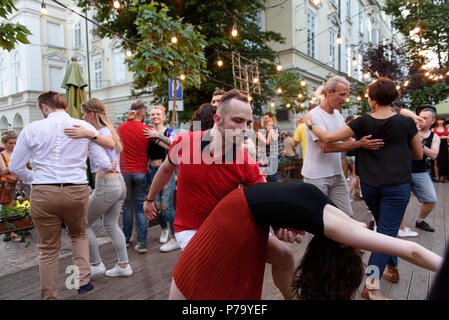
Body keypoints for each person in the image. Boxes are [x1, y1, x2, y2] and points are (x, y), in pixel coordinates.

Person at [144, 89, 299, 299]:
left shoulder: (244, 160)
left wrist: (280, 225)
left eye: (247, 122)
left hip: (227, 227)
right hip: (191, 229)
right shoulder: (187, 142)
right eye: (237, 121)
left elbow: (266, 198)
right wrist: (149, 199)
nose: (244, 129)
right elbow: (165, 169)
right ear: (217, 119)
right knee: (215, 271)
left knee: (285, 256)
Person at [167, 181, 442, 300]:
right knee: (204, 287)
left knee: (284, 257)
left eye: (361, 253)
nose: (364, 247)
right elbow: (413, 251)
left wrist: (276, 219)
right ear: (344, 244)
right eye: (362, 252)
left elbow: (282, 200)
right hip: (235, 217)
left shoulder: (339, 225)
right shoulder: (342, 230)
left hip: (243, 213)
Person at [305, 77, 423, 299]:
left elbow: (329, 138)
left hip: (370, 187)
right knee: (386, 232)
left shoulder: (361, 122)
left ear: (371, 99)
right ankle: (371, 287)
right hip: (396, 187)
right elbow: (418, 154)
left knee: (385, 228)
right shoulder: (405, 124)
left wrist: (309, 124)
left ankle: (392, 267)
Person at [9, 91, 112, 299]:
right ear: (65, 106)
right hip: (76, 190)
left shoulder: (32, 129)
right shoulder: (84, 127)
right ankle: (80, 282)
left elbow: (15, 166)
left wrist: (35, 179)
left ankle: (50, 296)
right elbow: (103, 164)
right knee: (78, 235)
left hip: (44, 192)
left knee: (47, 249)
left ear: (44, 107)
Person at [63, 98, 132, 278]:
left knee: (82, 224)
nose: (83, 116)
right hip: (117, 183)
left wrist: (88, 135)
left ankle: (96, 264)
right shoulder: (107, 129)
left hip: (108, 185)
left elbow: (109, 144)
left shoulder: (100, 131)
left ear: (92, 114)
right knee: (111, 225)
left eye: (84, 113)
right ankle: (123, 265)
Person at [302, 76, 384, 218]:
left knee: (347, 216)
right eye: (342, 94)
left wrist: (368, 144)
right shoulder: (314, 115)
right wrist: (359, 144)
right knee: (318, 219)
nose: (345, 98)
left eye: (346, 94)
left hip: (337, 174)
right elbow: (326, 147)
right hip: (317, 176)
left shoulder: (338, 115)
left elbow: (348, 139)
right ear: (329, 92)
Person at [398, 107, 440, 236]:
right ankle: (380, 222)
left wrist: (420, 144)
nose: (422, 120)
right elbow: (401, 111)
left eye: (426, 118)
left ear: (433, 121)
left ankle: (420, 220)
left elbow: (433, 155)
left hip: (420, 171)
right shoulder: (411, 129)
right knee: (400, 198)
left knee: (431, 199)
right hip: (402, 170)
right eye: (420, 116)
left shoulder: (434, 137)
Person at [117, 102, 152, 254]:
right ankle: (142, 243)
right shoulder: (147, 130)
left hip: (124, 172)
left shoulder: (120, 128)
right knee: (139, 207)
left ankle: (125, 239)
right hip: (140, 172)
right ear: (141, 113)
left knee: (127, 206)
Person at [143, 105, 179, 252]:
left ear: (163, 116)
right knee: (157, 205)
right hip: (151, 170)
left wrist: (157, 137)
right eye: (152, 114)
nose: (155, 116)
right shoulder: (147, 132)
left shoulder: (168, 131)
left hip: (166, 170)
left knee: (167, 205)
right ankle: (164, 228)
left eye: (158, 114)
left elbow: (174, 145)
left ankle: (176, 234)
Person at [0, 130, 20, 241]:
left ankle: (20, 228)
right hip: (7, 185)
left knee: (20, 207)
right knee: (9, 209)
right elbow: (3, 171)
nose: (13, 145)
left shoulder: (16, 153)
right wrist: (16, 164)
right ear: (5, 143)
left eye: (14, 143)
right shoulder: (1, 155)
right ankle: (11, 232)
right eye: (10, 143)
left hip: (19, 184)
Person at [264, 112, 282, 182]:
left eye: (267, 118)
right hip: (269, 153)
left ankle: (278, 187)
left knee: (271, 174)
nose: (265, 120)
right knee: (269, 173)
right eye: (264, 118)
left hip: (274, 153)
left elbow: (275, 139)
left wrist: (270, 130)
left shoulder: (275, 126)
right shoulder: (266, 127)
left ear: (271, 118)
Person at [432, 115, 448, 183]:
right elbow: (431, 137)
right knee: (435, 161)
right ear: (436, 121)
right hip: (436, 145)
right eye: (439, 120)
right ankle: (437, 177)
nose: (440, 121)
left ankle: (442, 177)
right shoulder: (433, 129)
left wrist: (445, 137)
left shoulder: (447, 127)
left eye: (441, 120)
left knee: (443, 161)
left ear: (444, 121)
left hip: (444, 145)